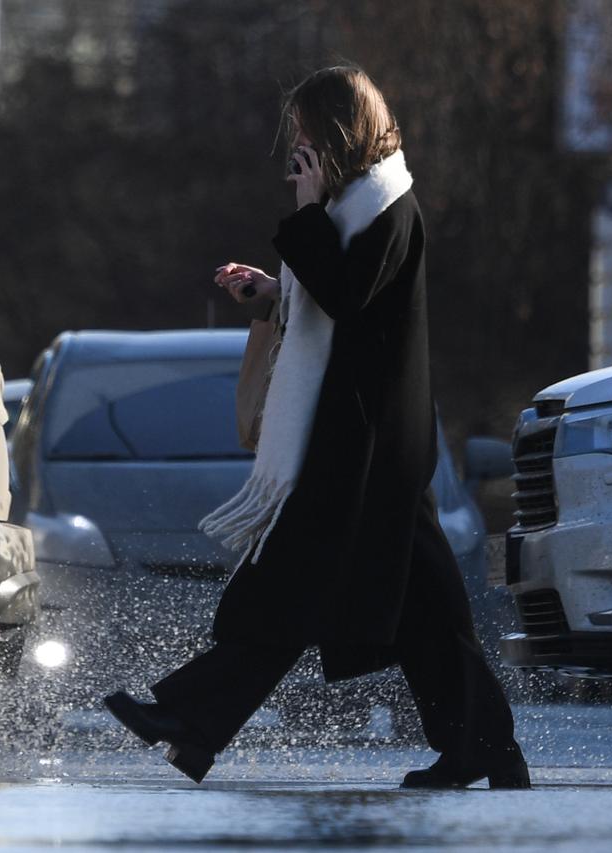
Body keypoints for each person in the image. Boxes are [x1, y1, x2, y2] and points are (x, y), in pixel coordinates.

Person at [104, 65, 528, 790]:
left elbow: (348, 295)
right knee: (424, 611)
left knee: (288, 584)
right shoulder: (361, 208)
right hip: (366, 439)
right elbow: (341, 297)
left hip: (367, 443)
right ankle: (483, 750)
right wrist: (275, 290)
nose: (296, 146)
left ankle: (191, 719)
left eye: (304, 132)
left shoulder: (386, 206)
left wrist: (304, 214)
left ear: (338, 133)